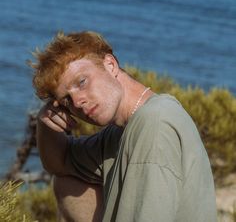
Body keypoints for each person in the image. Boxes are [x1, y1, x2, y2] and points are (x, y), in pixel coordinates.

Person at [31, 31, 217, 222]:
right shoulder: (118, 133)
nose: (78, 102)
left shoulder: (154, 123)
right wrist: (45, 124)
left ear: (110, 65)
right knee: (66, 183)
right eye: (66, 100)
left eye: (82, 82)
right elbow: (60, 163)